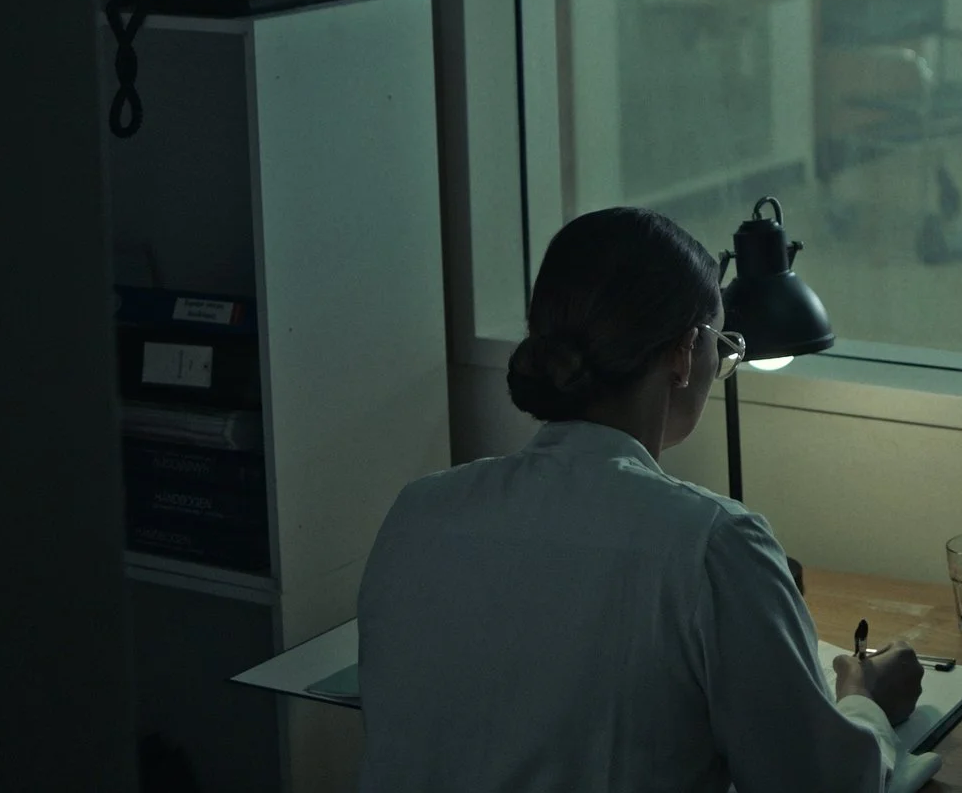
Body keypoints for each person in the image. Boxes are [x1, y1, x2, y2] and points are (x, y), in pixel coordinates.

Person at [357, 207, 923, 793]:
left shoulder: (418, 513)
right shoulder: (710, 543)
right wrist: (865, 703)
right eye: (723, 345)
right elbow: (821, 785)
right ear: (683, 354)